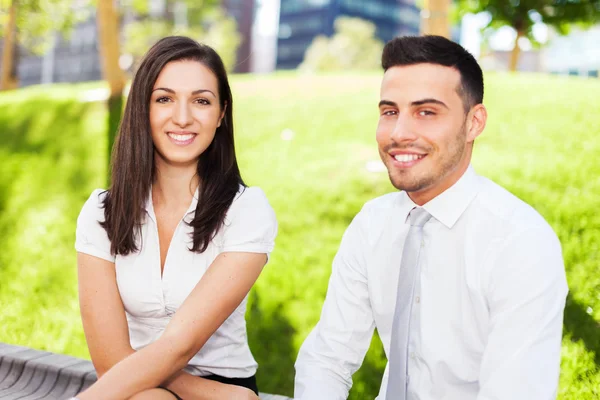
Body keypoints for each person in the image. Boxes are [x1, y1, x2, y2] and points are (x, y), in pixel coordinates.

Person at [294, 35, 567, 400]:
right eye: (390, 112)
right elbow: (328, 358)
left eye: (426, 112)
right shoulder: (373, 224)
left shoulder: (520, 242)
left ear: (474, 123)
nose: (399, 133)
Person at [74, 36, 277, 400]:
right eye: (164, 99)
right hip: (132, 385)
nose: (182, 118)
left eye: (201, 101)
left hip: (217, 383)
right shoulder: (101, 212)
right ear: (143, 109)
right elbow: (108, 361)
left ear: (221, 114)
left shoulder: (247, 211)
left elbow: (179, 347)